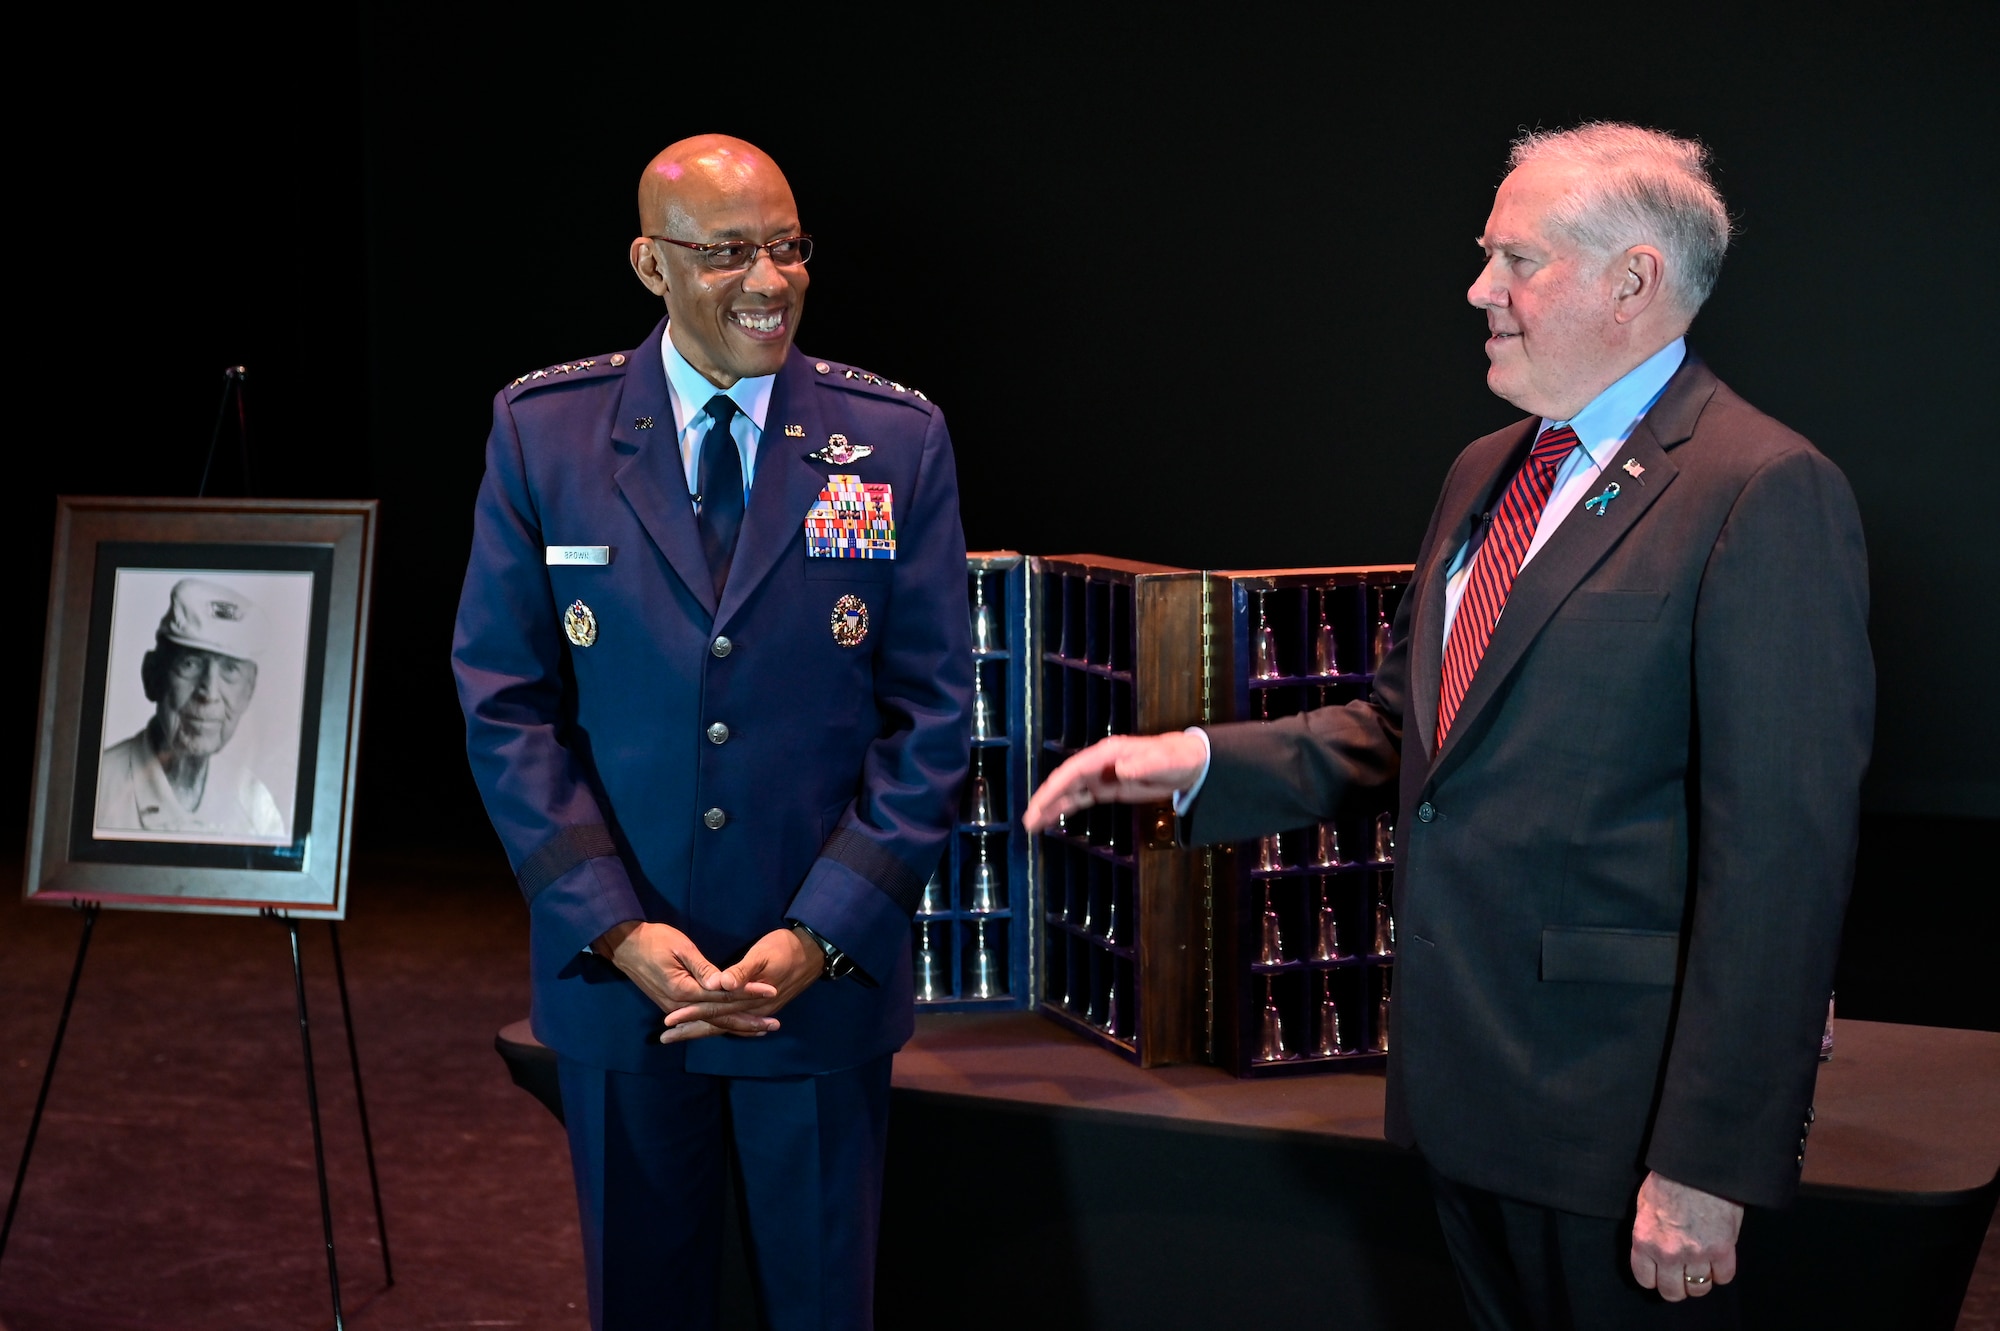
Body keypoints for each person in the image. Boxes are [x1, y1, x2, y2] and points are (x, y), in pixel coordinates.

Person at [1024, 123, 1872, 1329]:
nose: (1479, 291)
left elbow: (1780, 865)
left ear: (1631, 281)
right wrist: (1194, 760)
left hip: (1619, 1134)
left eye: (1514, 260)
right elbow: (1404, 730)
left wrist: (1708, 1165)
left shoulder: (1762, 488)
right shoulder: (1484, 465)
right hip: (1461, 1096)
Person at [452, 134, 970, 1331]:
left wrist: (820, 932)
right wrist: (614, 926)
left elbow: (932, 713)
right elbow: (503, 698)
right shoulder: (547, 432)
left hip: (817, 984)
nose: (769, 280)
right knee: (643, 1299)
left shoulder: (893, 441)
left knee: (821, 1303)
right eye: (728, 250)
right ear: (650, 263)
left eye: (787, 247)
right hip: (623, 982)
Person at [95, 576, 286, 840]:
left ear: (248, 691)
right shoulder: (95, 791)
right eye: (190, 664)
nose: (208, 693)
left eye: (230, 670)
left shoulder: (256, 809)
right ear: (152, 676)